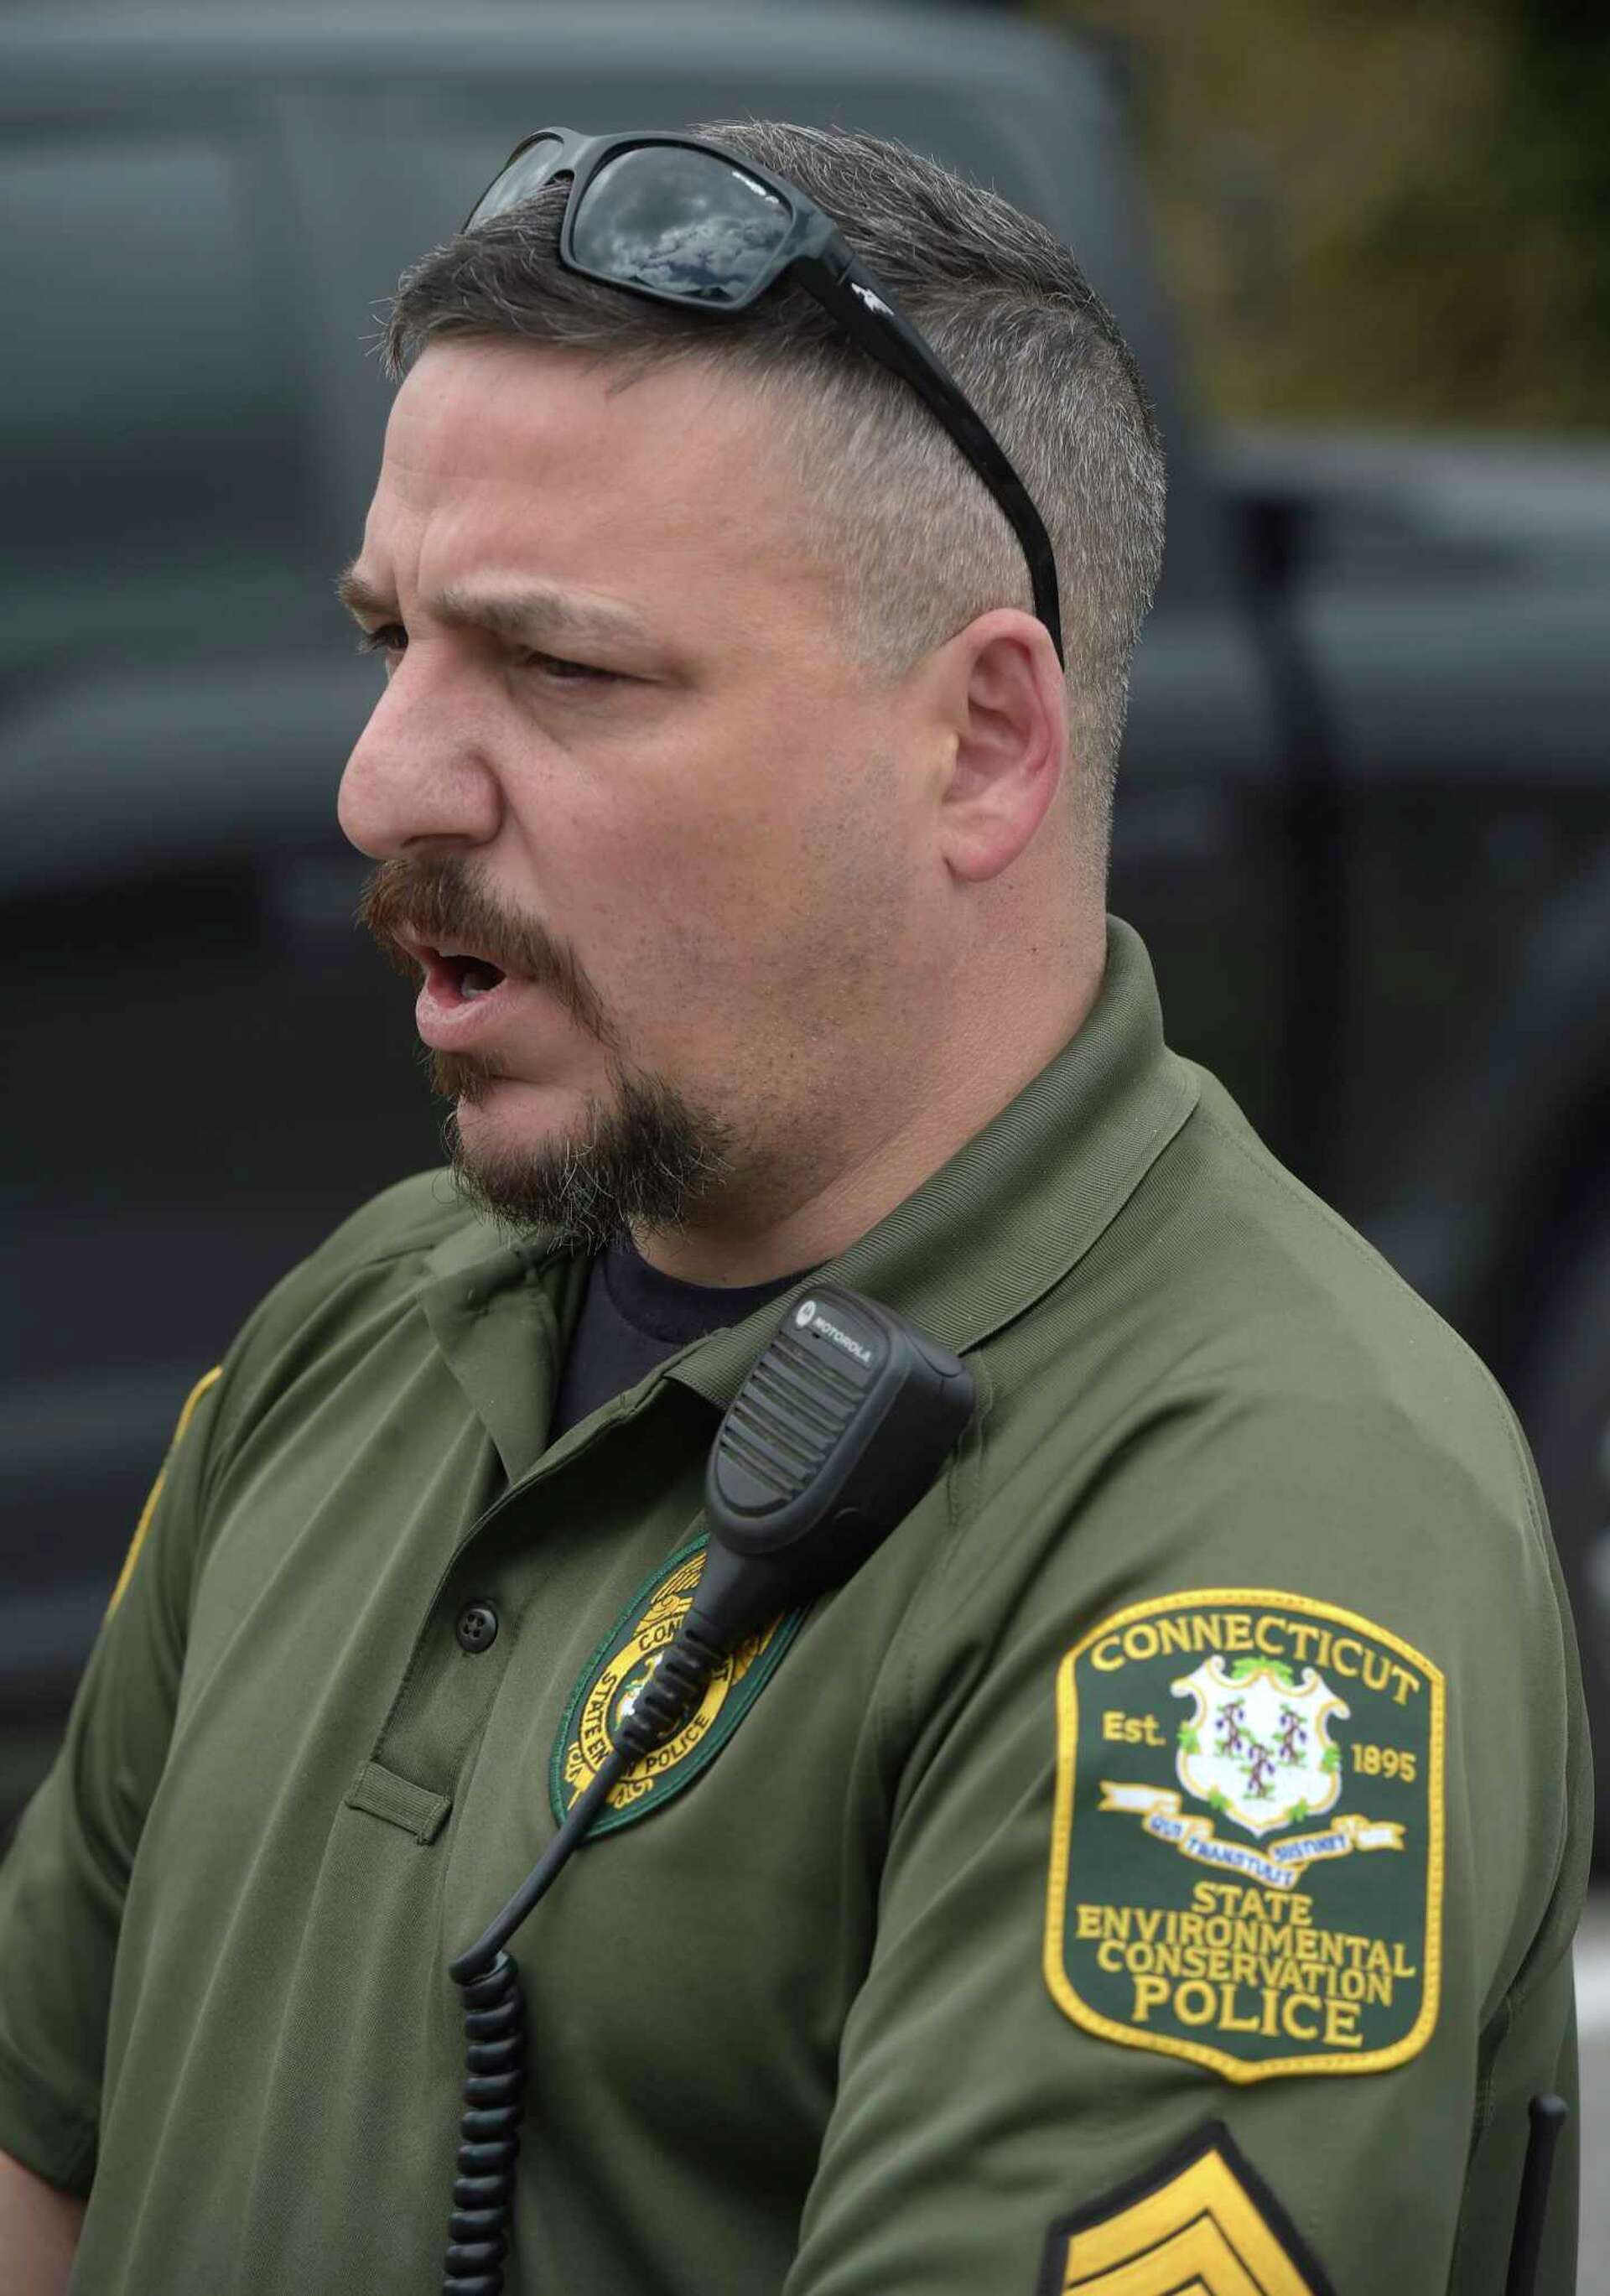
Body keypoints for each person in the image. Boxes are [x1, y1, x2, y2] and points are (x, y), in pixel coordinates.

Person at [0, 118, 1588, 2296]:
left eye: (562, 669)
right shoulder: (372, 1319)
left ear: (983, 744)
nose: (381, 784)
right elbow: (42, 2146)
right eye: (391, 641)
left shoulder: (1256, 1532)